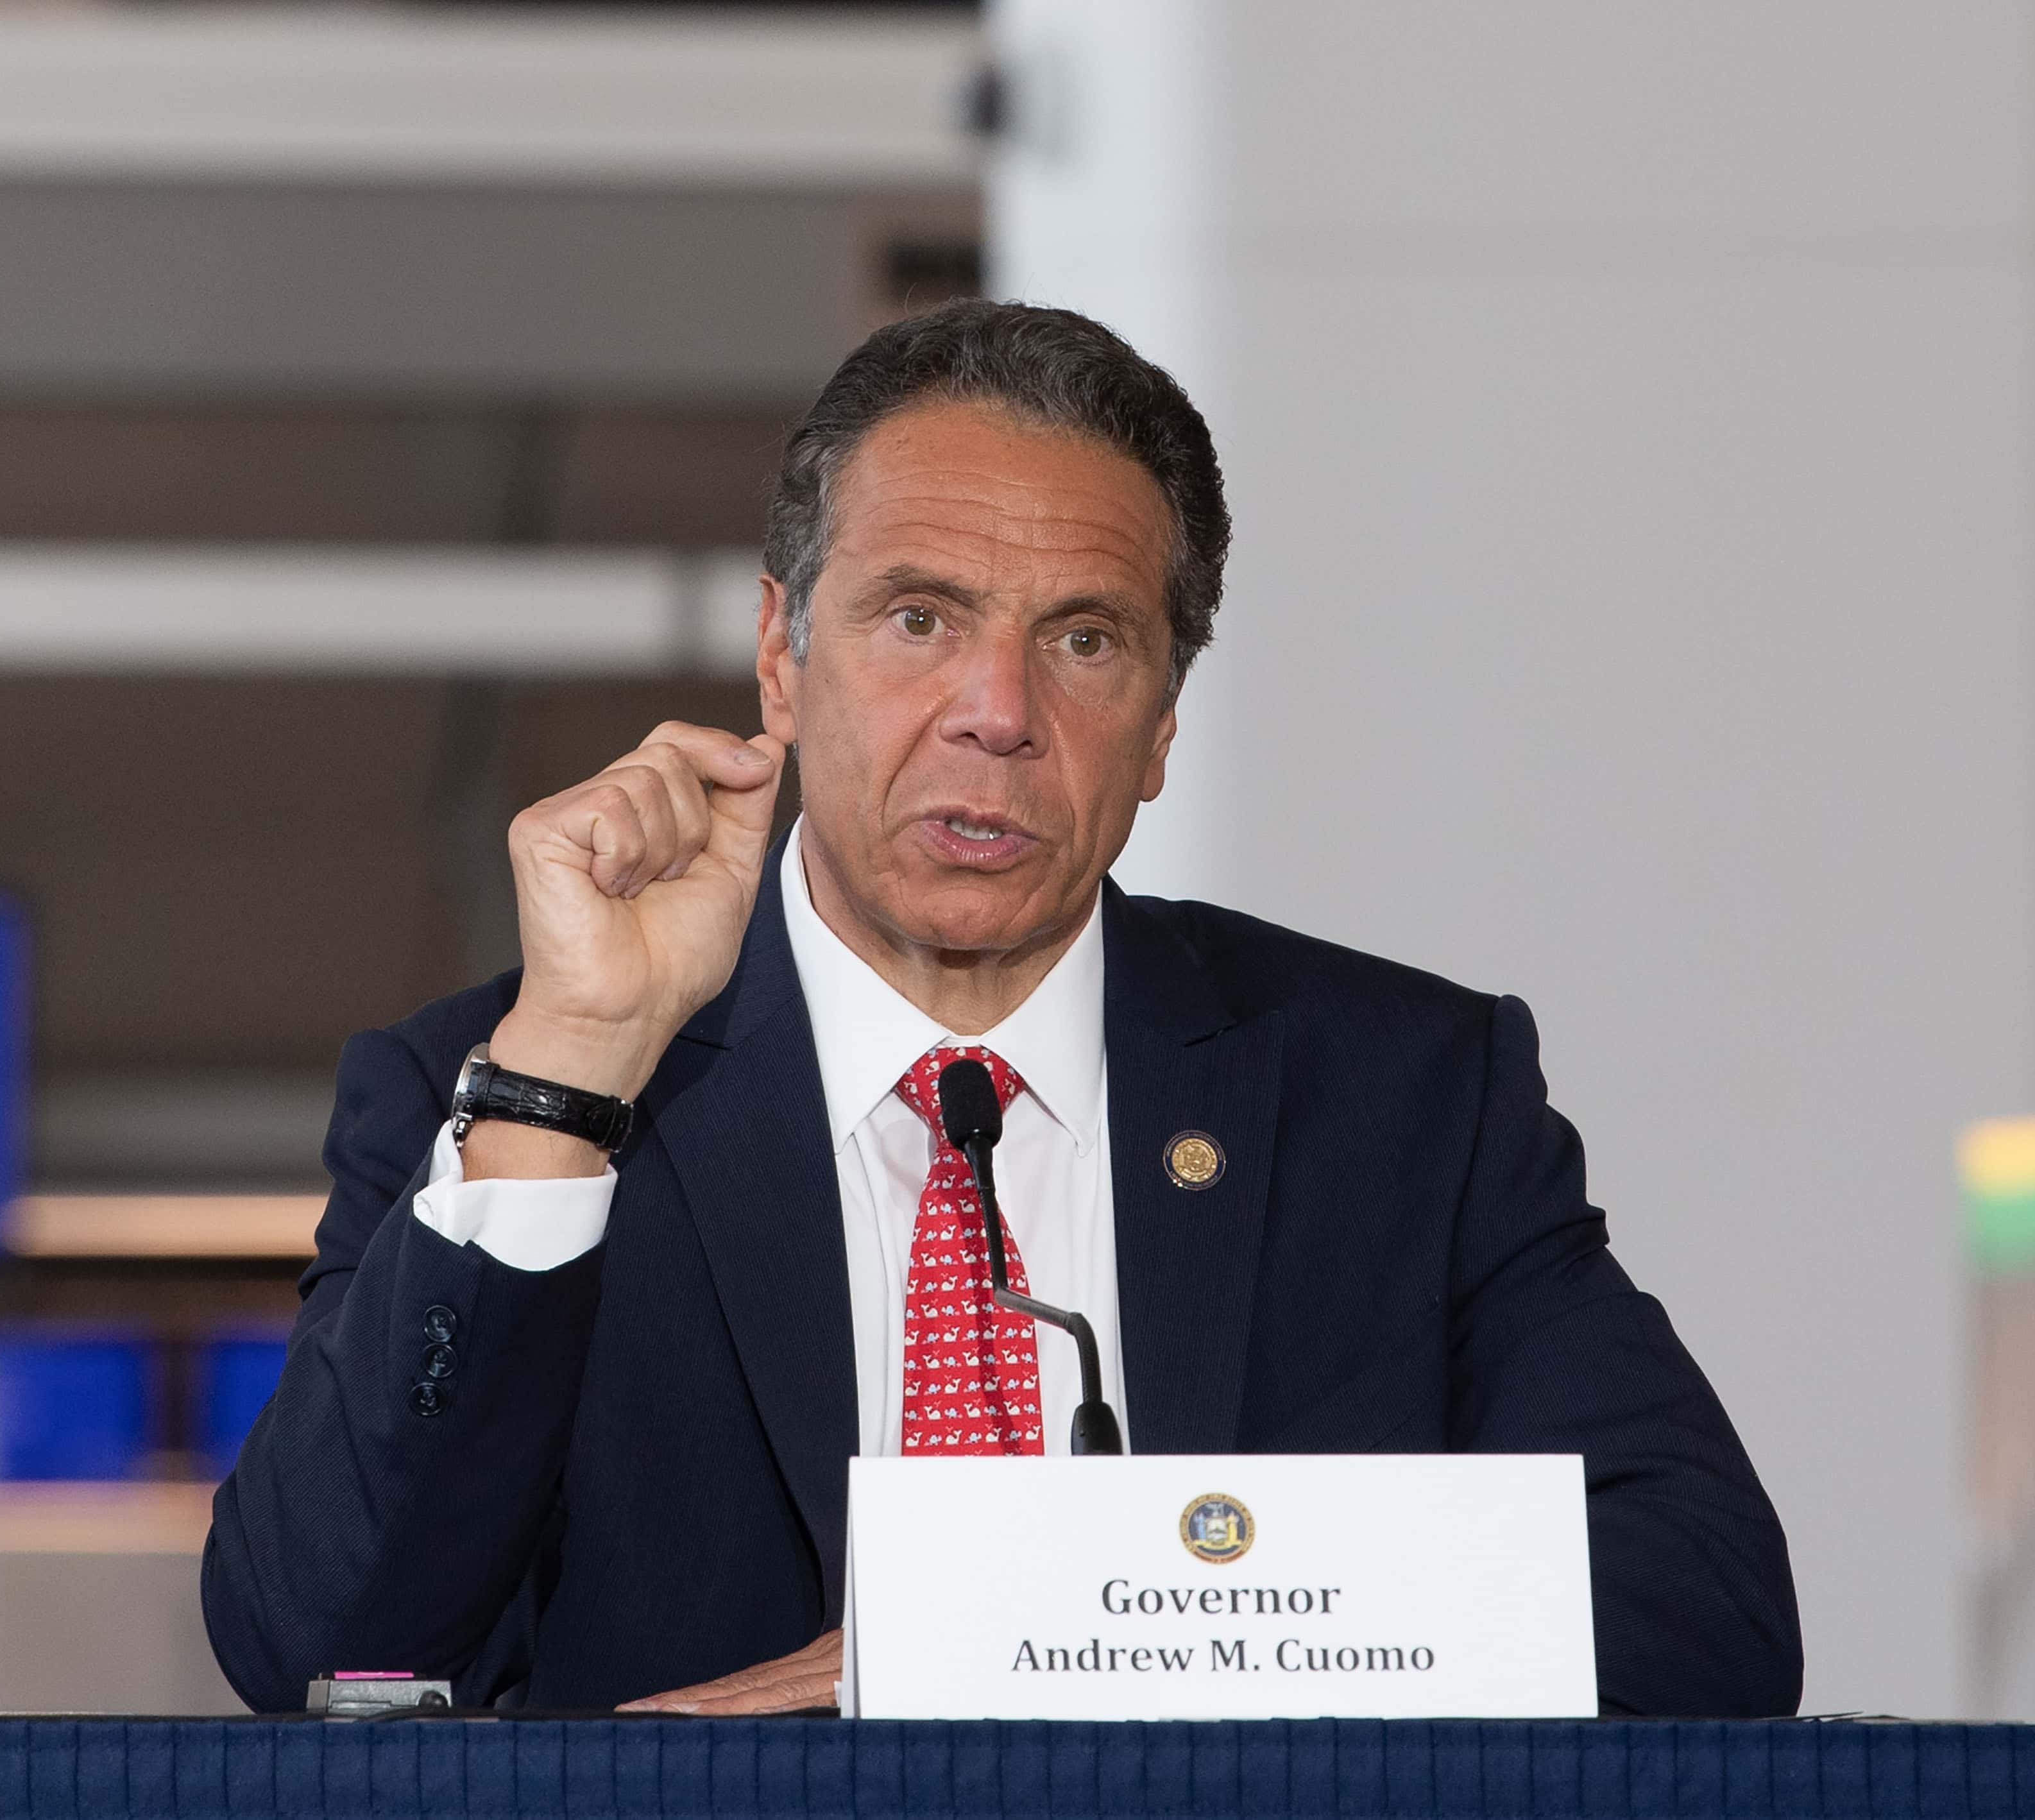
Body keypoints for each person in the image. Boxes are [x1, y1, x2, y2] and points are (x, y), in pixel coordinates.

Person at [201, 300, 1801, 1719]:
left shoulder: (1401, 1097)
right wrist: (571, 1071)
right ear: (780, 652)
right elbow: (327, 1650)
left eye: (1085, 639)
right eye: (919, 619)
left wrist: (1008, 1638)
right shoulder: (500, 1089)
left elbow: (1702, 1605)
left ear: (1163, 721)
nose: (996, 714)